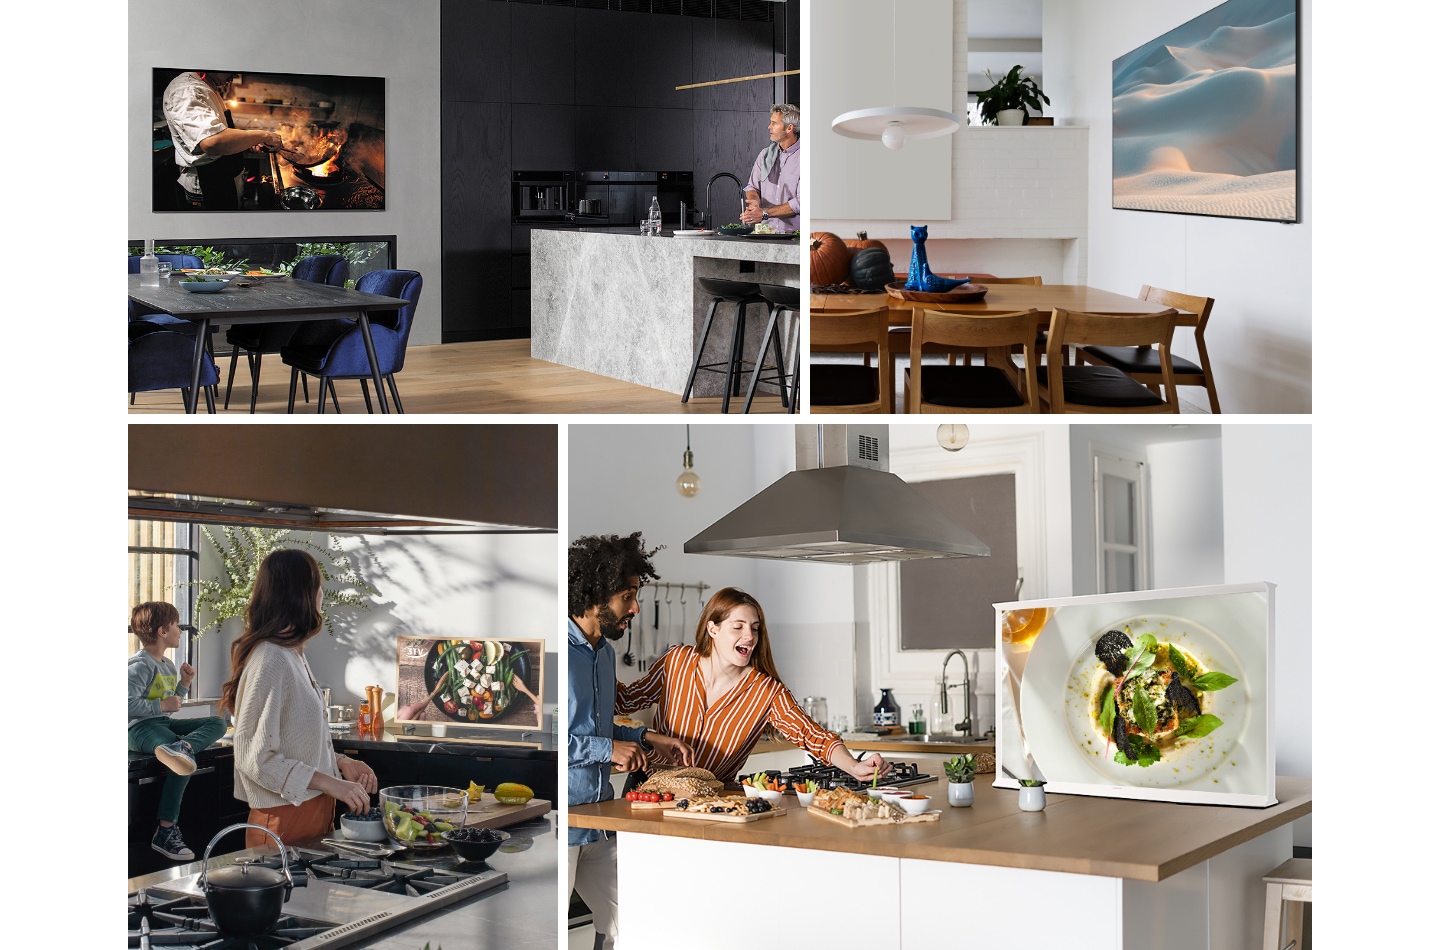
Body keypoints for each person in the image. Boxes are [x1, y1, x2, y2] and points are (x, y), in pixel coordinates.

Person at [618, 586, 888, 787]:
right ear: (713, 629)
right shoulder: (676, 662)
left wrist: (854, 766)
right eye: (738, 627)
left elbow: (812, 735)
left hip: (712, 801)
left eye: (755, 628)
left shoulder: (766, 692)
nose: (749, 636)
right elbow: (626, 700)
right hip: (648, 791)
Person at [568, 533, 694, 950]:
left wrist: (646, 736)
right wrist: (608, 750)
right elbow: (545, 740)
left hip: (600, 816)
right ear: (595, 595)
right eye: (628, 596)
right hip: (561, 821)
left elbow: (597, 726)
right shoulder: (552, 653)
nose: (635, 607)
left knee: (637, 920)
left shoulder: (602, 651)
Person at [222, 549, 377, 848]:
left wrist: (340, 763)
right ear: (303, 595)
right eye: (318, 586)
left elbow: (293, 744)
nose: (321, 594)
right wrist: (332, 783)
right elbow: (255, 759)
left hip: (311, 812)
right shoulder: (271, 659)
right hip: (283, 819)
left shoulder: (292, 654)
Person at [128, 601, 229, 862]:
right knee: (181, 758)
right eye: (176, 625)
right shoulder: (139, 666)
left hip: (161, 726)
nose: (180, 630)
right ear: (163, 631)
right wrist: (161, 705)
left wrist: (183, 684)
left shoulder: (168, 666)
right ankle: (165, 830)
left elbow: (170, 706)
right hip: (138, 730)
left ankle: (183, 747)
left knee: (217, 722)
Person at [161, 70, 284, 210]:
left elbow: (221, 135)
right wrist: (264, 135)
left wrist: (249, 143)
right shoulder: (187, 90)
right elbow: (212, 142)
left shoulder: (207, 87)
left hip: (224, 178)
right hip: (209, 184)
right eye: (231, 70)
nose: (235, 76)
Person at [739, 103, 801, 234]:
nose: (769, 127)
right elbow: (752, 187)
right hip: (765, 233)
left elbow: (801, 202)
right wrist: (754, 203)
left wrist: (764, 213)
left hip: (795, 237)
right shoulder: (765, 155)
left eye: (774, 123)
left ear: (789, 128)